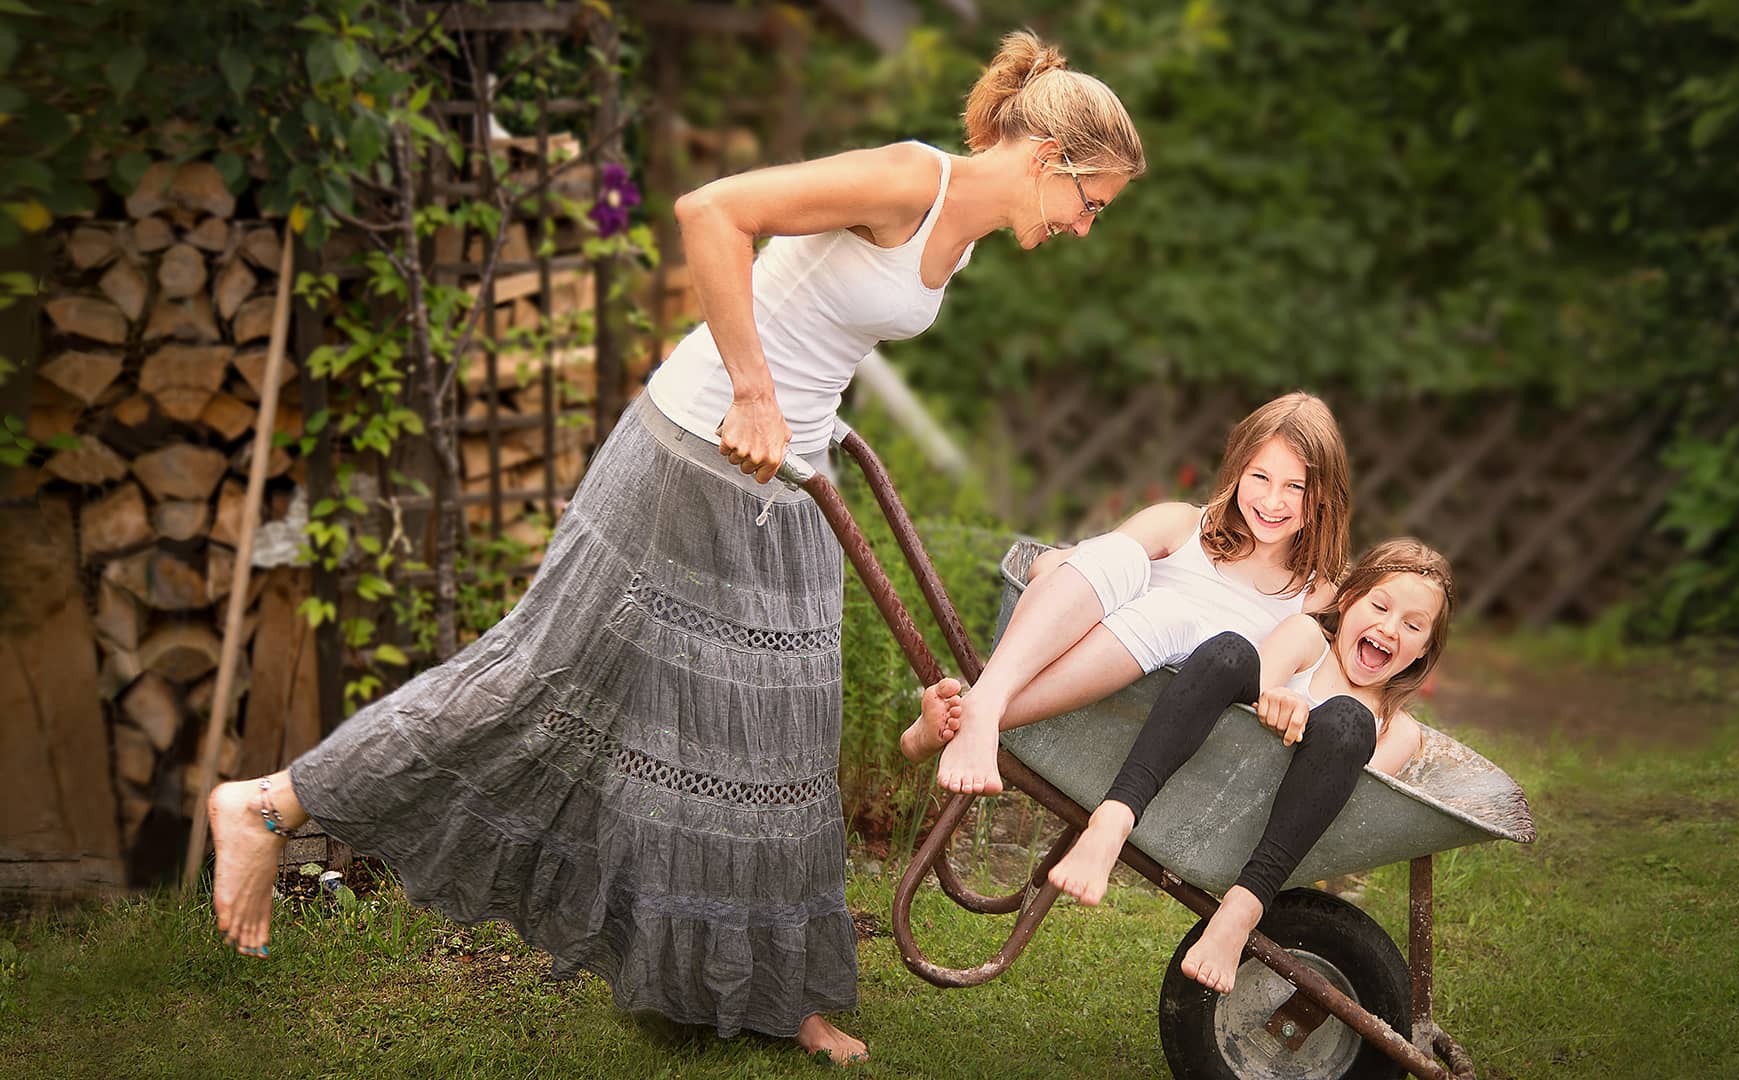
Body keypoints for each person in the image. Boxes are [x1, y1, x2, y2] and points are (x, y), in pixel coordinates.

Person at [206, 29, 1144, 1066]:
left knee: (778, 747)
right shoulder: (906, 178)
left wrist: (802, 418)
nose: (1086, 227)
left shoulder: (960, 233)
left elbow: (819, 332)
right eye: (1090, 202)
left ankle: (770, 993)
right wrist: (751, 386)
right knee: (538, 680)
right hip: (691, 453)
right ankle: (265, 805)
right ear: (1052, 158)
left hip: (785, 483)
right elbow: (714, 212)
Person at [1045, 538, 1452, 993]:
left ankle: (1242, 910)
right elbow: (1263, 680)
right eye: (1379, 606)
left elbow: (1348, 801)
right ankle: (1112, 819)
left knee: (1348, 720)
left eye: (1413, 626)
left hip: (1272, 836)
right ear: (1349, 599)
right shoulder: (1307, 639)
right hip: (1205, 773)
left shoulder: (1397, 730)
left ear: (1423, 651)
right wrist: (1279, 697)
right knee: (1231, 652)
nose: (1391, 628)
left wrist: (1325, 728)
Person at [907, 392, 1356, 796]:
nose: (1273, 501)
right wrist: (1073, 568)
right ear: (1237, 471)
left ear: (1321, 497)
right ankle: (983, 708)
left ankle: (970, 713)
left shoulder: (1318, 595)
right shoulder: (1179, 527)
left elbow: (1318, 685)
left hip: (1171, 729)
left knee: (1169, 614)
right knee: (1121, 554)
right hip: (1094, 668)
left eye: (1295, 487)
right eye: (1260, 477)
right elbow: (1055, 567)